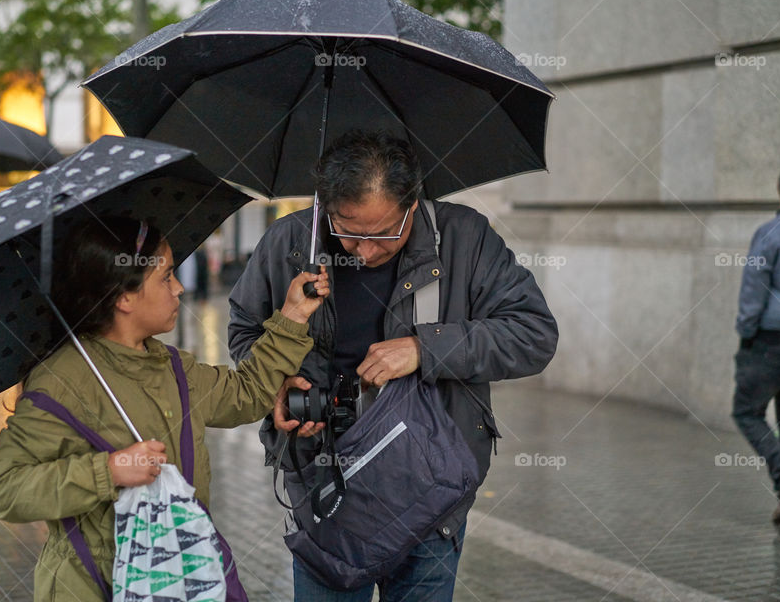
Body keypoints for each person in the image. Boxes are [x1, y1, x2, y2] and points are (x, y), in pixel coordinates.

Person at [228, 129, 559, 600]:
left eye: (382, 234)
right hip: (325, 487)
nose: (364, 251)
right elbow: (243, 331)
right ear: (327, 206)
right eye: (348, 231)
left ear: (412, 203)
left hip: (428, 491)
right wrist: (276, 386)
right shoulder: (289, 241)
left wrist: (426, 349)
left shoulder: (463, 237)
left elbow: (533, 334)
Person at [0, 217, 329, 601]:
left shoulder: (173, 366)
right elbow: (4, 488)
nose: (179, 288)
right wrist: (108, 471)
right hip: (89, 586)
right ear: (124, 296)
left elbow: (244, 394)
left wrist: (293, 316)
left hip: (181, 577)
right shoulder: (58, 382)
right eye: (165, 277)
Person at [733, 158, 780, 526]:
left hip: (770, 341)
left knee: (746, 411)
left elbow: (753, 291)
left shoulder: (771, 233)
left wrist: (746, 334)